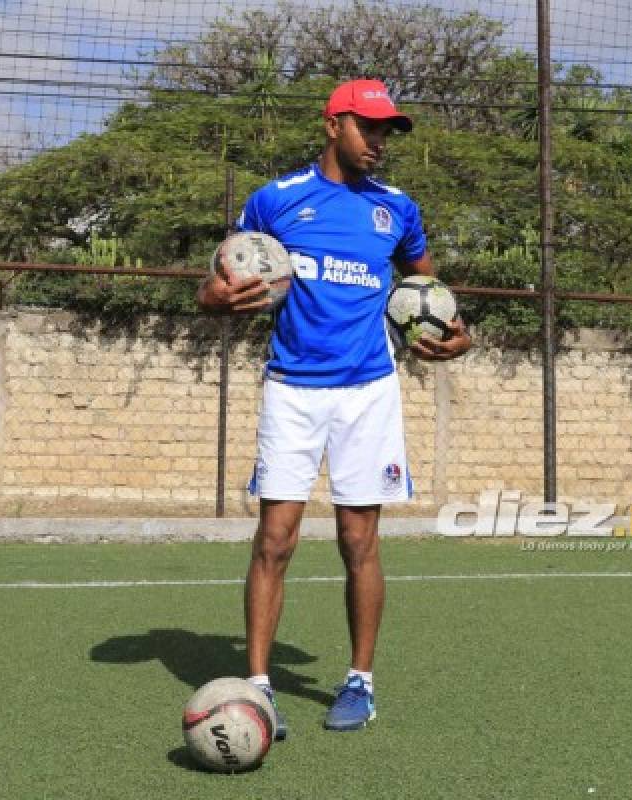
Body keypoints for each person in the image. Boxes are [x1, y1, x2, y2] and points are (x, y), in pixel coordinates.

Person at [196, 79, 471, 735]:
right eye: (367, 127)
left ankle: (359, 683)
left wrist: (457, 333)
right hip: (293, 387)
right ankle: (259, 688)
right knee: (275, 540)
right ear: (332, 125)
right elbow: (216, 280)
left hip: (368, 389)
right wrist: (215, 301)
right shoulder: (276, 201)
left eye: (386, 131)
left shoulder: (396, 210)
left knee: (359, 541)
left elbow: (428, 292)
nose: (378, 141)